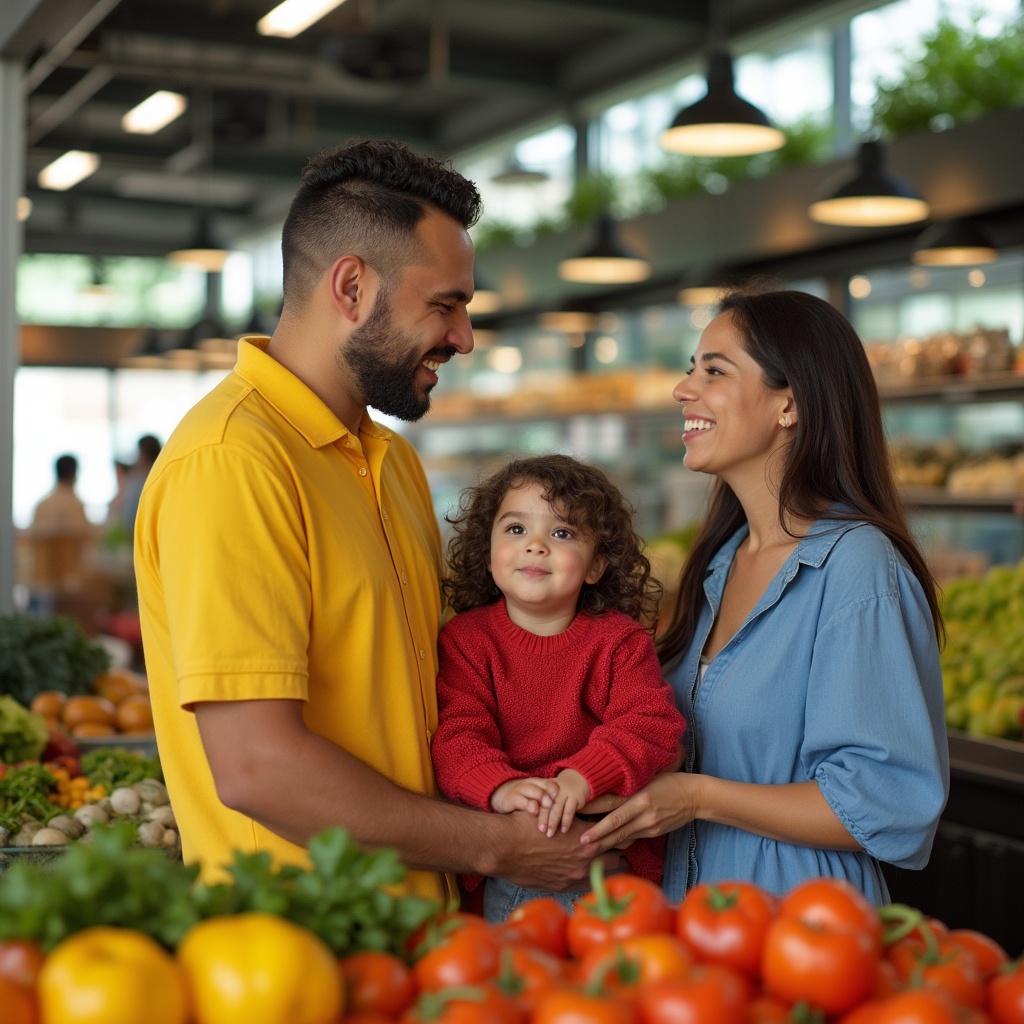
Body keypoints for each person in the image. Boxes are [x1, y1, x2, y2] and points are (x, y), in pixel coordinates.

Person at [134, 139, 608, 903]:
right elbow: (260, 767)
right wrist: (498, 849)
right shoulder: (232, 462)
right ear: (351, 287)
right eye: (445, 305)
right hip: (306, 954)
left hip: (422, 938)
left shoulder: (390, 460)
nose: (464, 337)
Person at [579, 288, 949, 906]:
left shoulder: (856, 566)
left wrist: (696, 796)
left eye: (714, 371)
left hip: (803, 930)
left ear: (790, 404)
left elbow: (886, 803)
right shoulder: (722, 562)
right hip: (696, 922)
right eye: (690, 369)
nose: (683, 389)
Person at [431, 454, 686, 921]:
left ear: (595, 566)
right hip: (509, 855)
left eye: (562, 533)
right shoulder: (465, 641)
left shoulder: (620, 642)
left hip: (602, 852)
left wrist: (581, 778)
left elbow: (651, 725)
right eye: (514, 530)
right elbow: (457, 735)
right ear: (487, 555)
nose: (536, 546)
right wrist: (501, 787)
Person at [26, 454, 95, 591]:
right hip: (71, 582)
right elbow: (87, 544)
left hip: (41, 579)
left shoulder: (42, 506)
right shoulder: (76, 505)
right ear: (74, 473)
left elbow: (30, 539)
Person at [120, 435, 162, 535]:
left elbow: (129, 517)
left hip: (141, 534)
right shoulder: (164, 475)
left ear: (143, 455)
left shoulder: (138, 481)